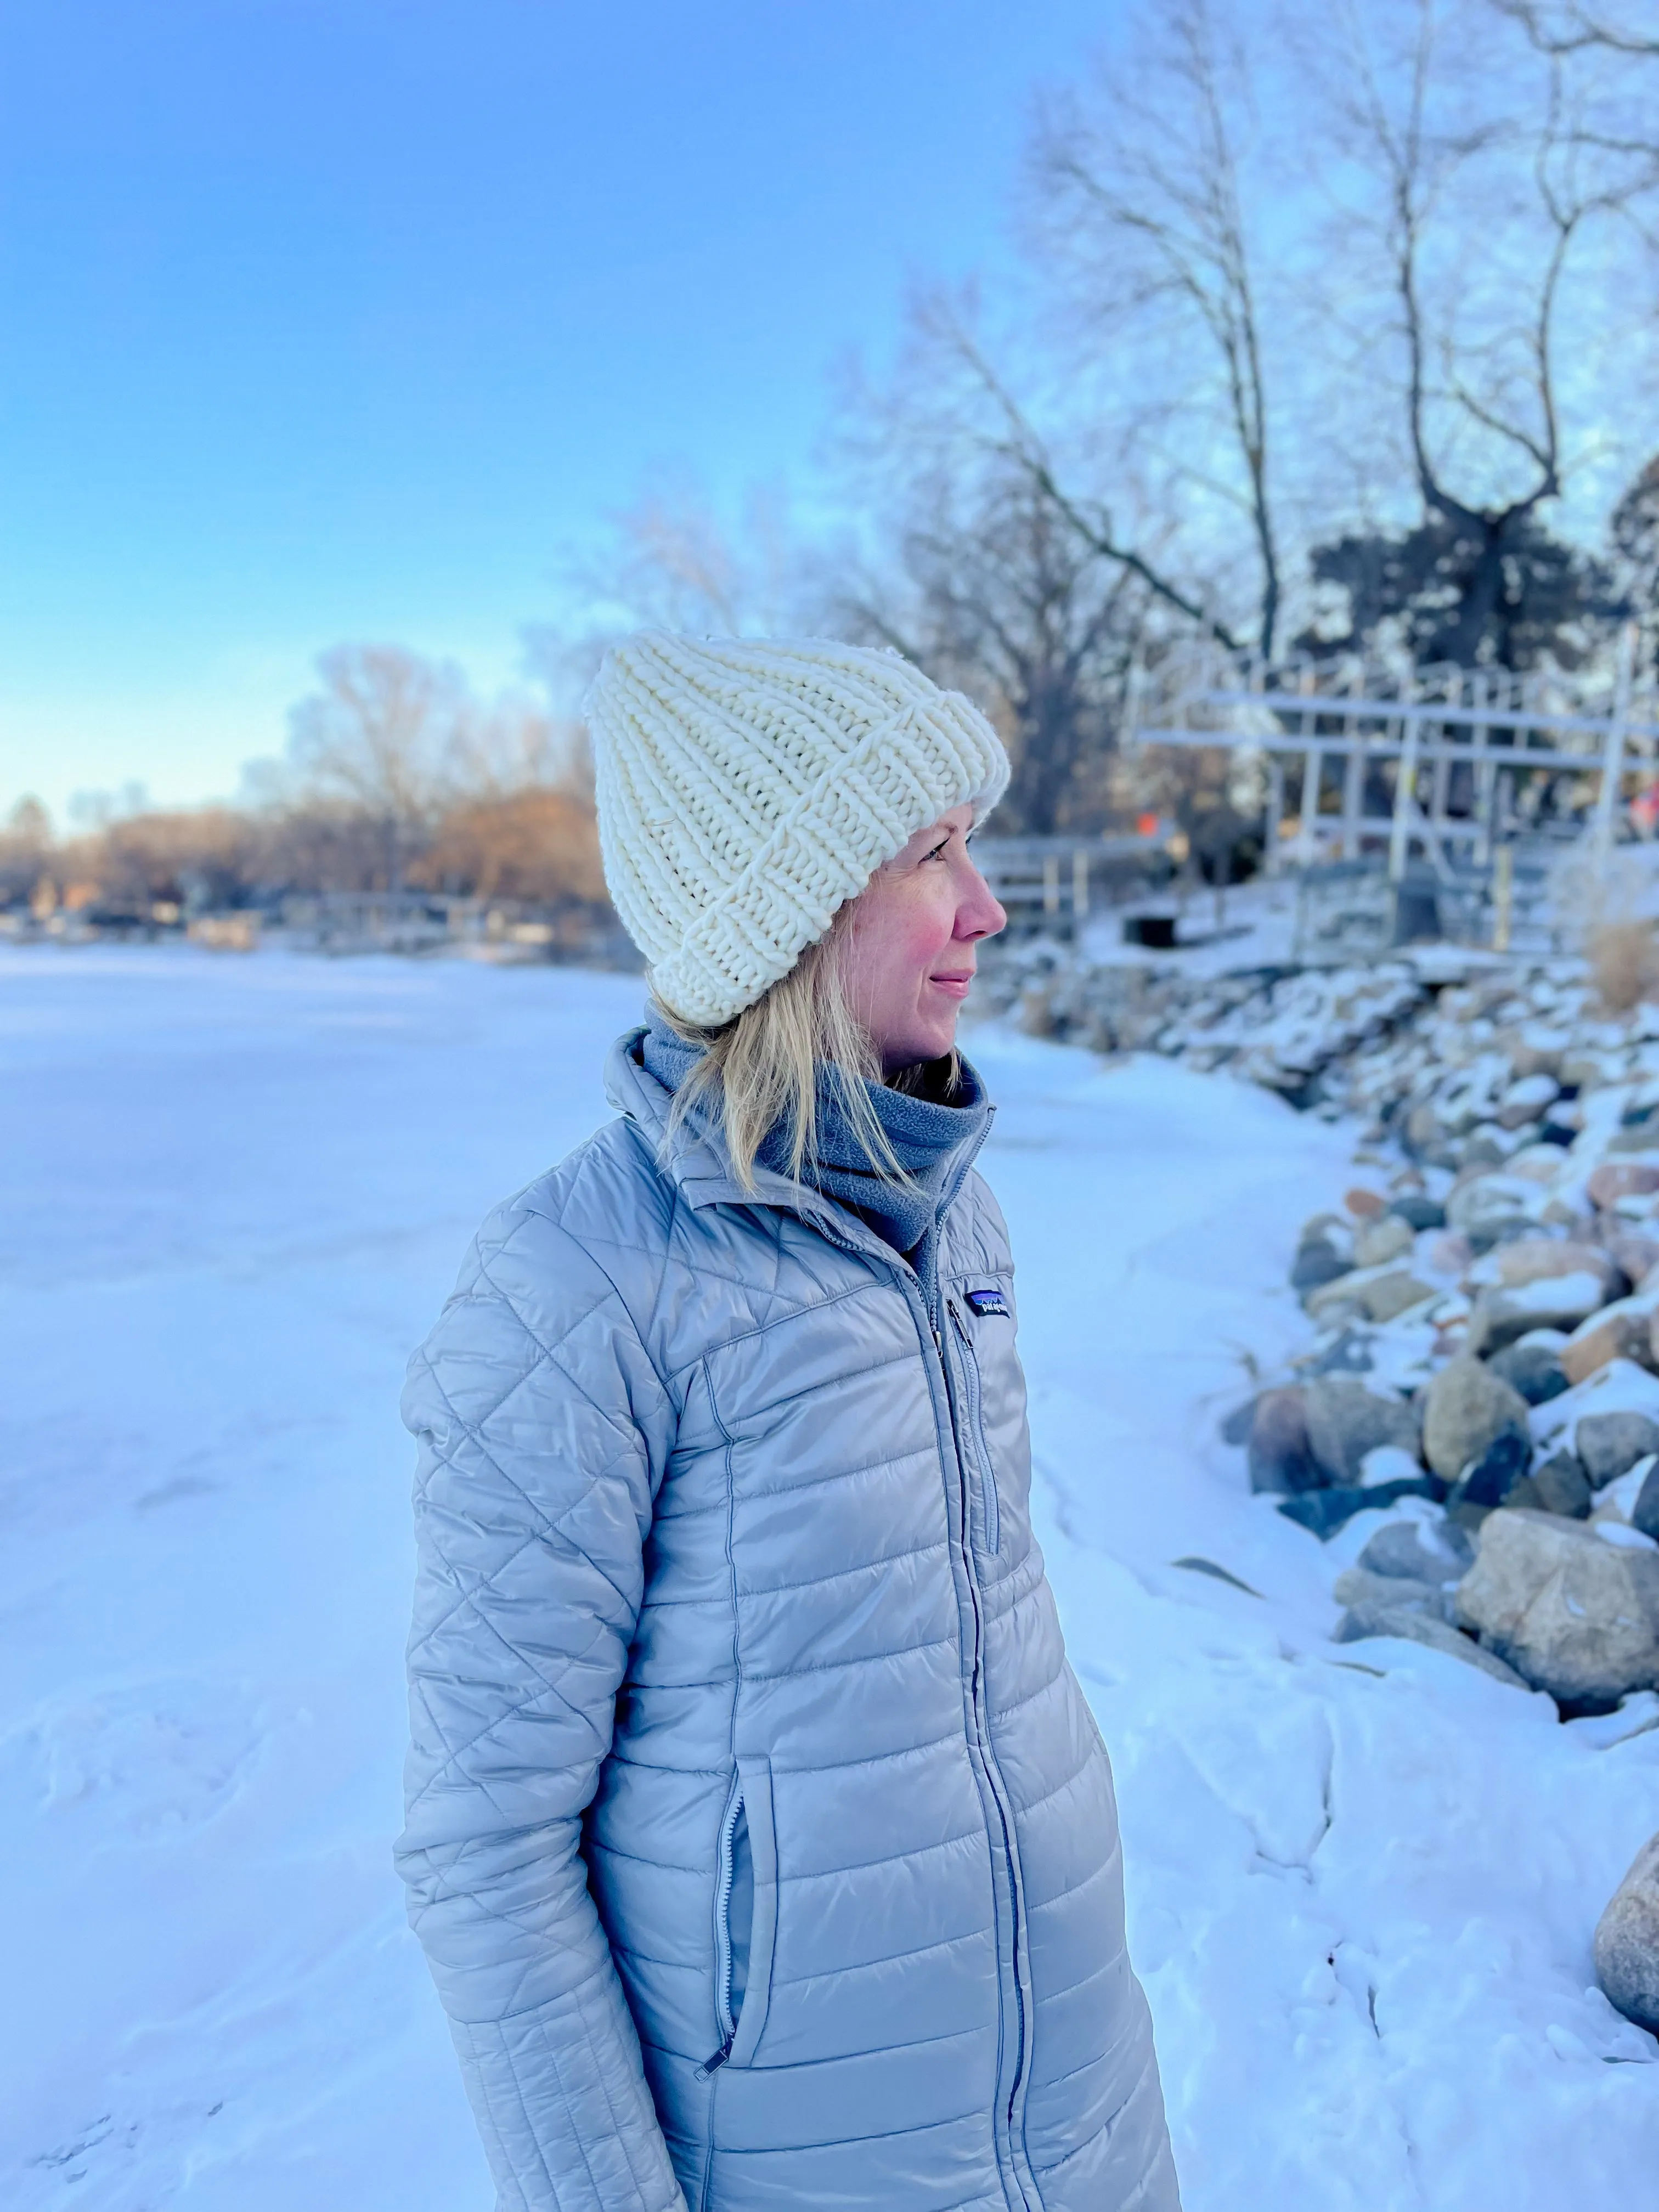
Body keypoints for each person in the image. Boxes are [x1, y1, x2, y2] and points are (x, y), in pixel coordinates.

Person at [394, 634, 1181, 2212]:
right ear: (791, 913)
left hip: (1084, 2105)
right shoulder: (575, 1282)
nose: (989, 905)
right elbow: (485, 1847)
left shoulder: (956, 1215)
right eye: (931, 852)